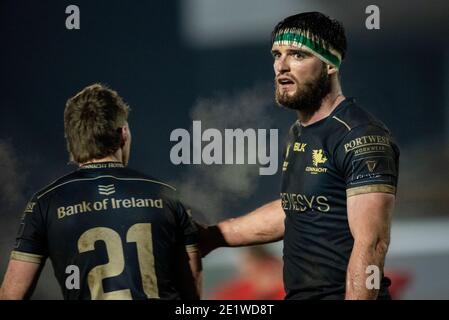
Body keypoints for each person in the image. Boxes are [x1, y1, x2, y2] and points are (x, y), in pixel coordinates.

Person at [200, 12, 399, 300]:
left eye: (297, 55)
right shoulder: (299, 132)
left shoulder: (360, 136)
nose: (281, 66)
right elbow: (296, 210)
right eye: (277, 54)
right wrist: (215, 236)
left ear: (330, 64)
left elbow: (373, 244)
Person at [0, 84, 202, 300]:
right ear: (123, 133)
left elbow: (11, 295)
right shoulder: (169, 195)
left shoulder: (45, 203)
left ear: (72, 140)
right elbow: (192, 296)